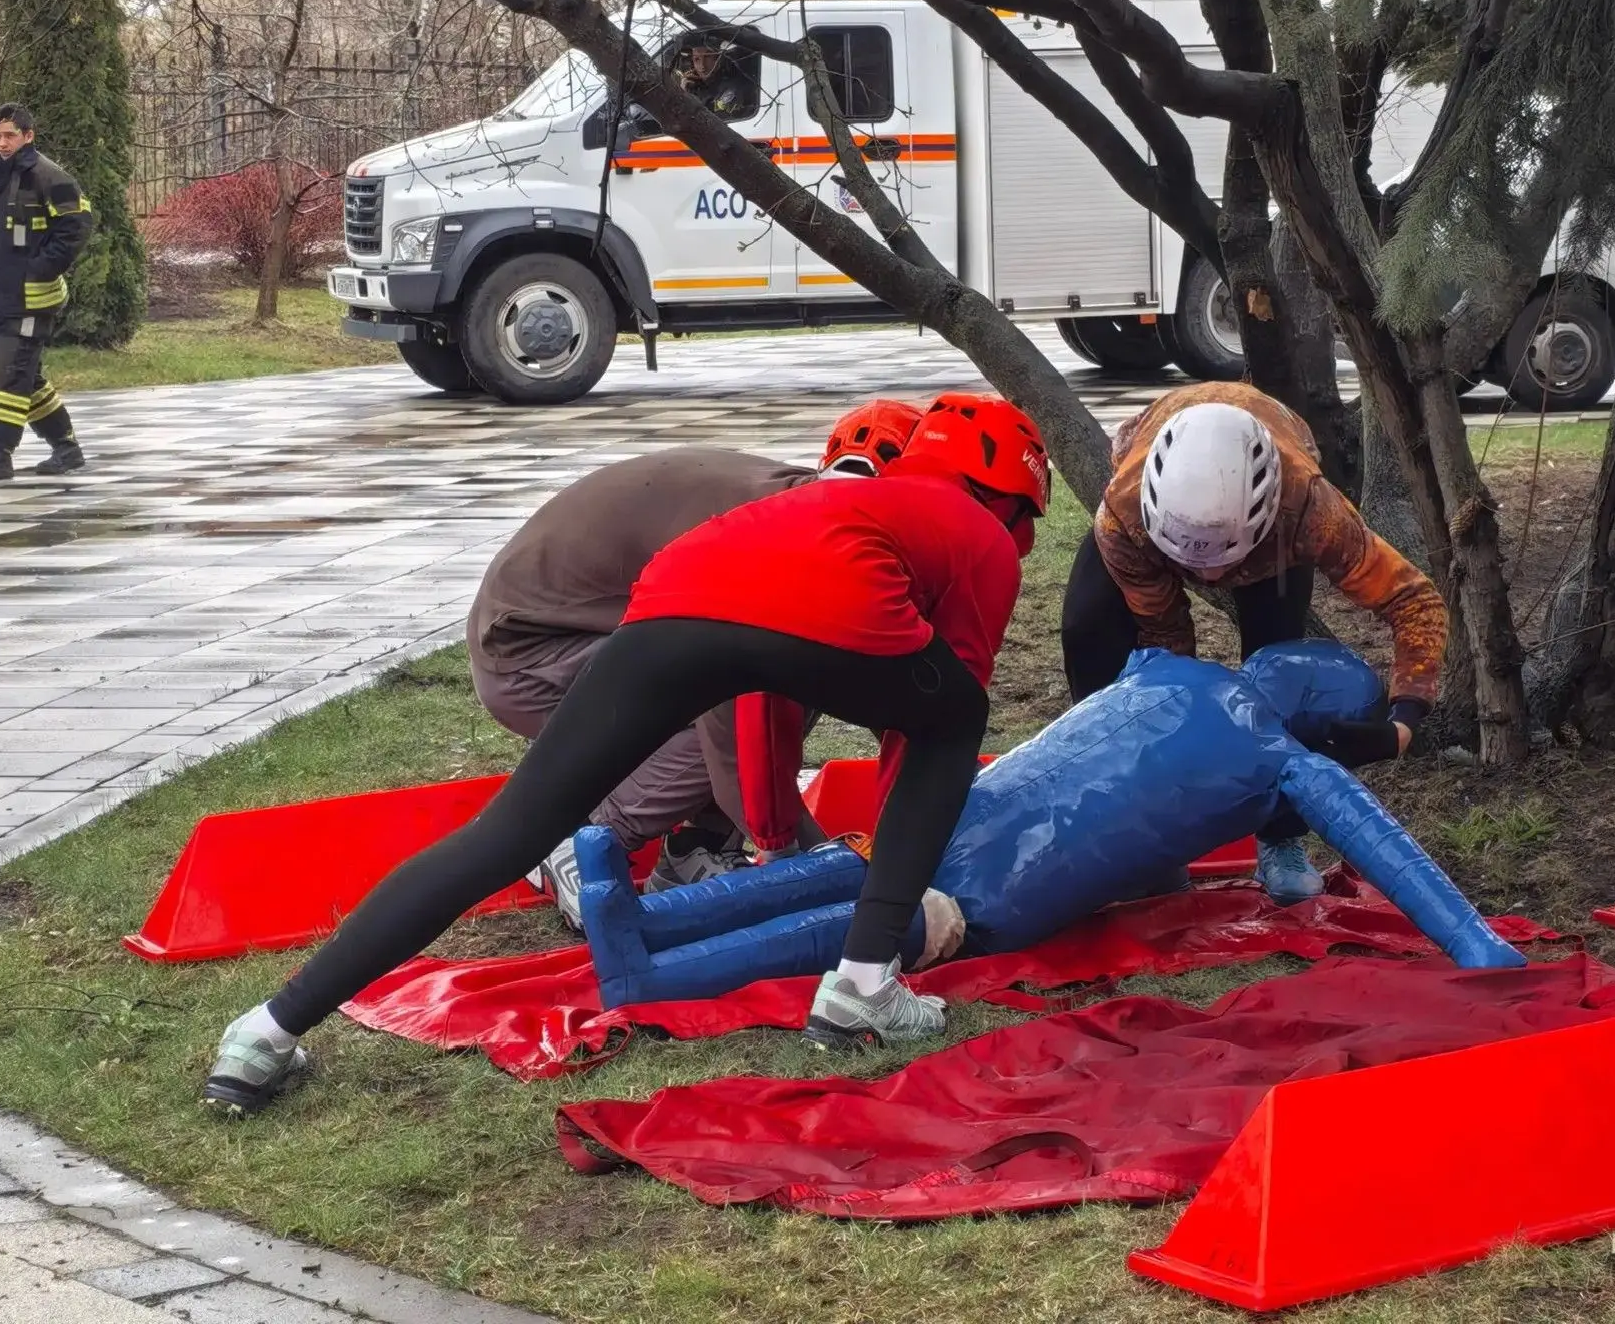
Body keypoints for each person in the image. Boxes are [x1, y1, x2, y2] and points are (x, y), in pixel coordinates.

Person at [203, 392, 1048, 1114]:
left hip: (676, 592)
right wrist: (890, 879)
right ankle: (864, 986)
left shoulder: (806, 504)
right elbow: (924, 729)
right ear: (1011, 496)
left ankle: (265, 1030)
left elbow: (756, 701)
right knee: (950, 724)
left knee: (505, 832)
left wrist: (780, 837)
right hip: (742, 608)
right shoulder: (973, 531)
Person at [467, 401, 923, 892]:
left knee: (795, 670)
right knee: (762, 690)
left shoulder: (810, 502)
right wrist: (828, 869)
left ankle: (695, 848)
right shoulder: (777, 553)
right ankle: (578, 835)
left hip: (576, 629)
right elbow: (742, 752)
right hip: (528, 662)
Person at [1061, 381, 1447, 908]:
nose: (1212, 576)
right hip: (1146, 539)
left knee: (1278, 674)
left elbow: (1414, 600)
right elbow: (1167, 639)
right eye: (1195, 564)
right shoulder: (1124, 515)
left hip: (1275, 543)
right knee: (1092, 634)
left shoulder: (1309, 509)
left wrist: (1403, 724)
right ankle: (1138, 831)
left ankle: (1280, 839)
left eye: (1224, 560)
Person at [0, 103, 91, 483]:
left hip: (32, 297)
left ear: (28, 135)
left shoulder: (50, 176)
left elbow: (77, 226)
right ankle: (67, 448)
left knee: (9, 374)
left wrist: (39, 267)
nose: (2, 143)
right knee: (22, 375)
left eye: (10, 135)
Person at [680, 41, 756, 120]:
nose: (702, 66)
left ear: (718, 58)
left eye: (707, 57)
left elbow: (712, 120)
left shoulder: (732, 87)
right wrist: (683, 94)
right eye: (697, 59)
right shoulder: (697, 89)